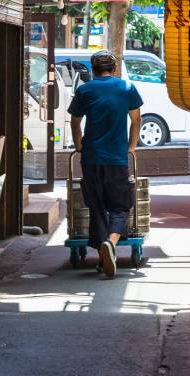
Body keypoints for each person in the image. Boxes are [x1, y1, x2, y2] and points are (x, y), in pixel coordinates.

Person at [69, 50, 144, 278]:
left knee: (97, 208)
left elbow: (75, 122)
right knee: (120, 206)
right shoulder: (126, 88)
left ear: (93, 69)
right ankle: (110, 243)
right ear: (114, 68)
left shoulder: (84, 90)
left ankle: (103, 259)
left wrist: (79, 145)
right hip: (116, 158)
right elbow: (136, 119)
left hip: (91, 158)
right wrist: (131, 146)